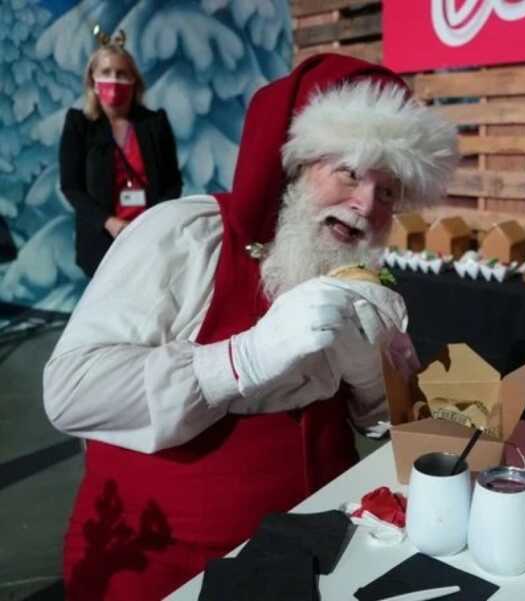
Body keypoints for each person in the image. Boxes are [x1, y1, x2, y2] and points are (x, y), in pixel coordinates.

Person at [43, 53, 458, 600]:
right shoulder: (184, 237)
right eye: (350, 173)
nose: (365, 205)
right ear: (294, 165)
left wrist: (372, 383)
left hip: (328, 562)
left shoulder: (364, 282)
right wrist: (239, 361)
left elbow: (390, 427)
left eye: (387, 191)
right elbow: (70, 393)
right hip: (171, 570)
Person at [59, 31, 182, 278]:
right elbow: (71, 187)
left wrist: (150, 223)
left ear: (134, 80)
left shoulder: (155, 123)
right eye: (105, 72)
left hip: (149, 239)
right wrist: (109, 222)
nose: (113, 79)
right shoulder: (79, 125)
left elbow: (173, 183)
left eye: (121, 73)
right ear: (92, 81)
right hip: (101, 240)